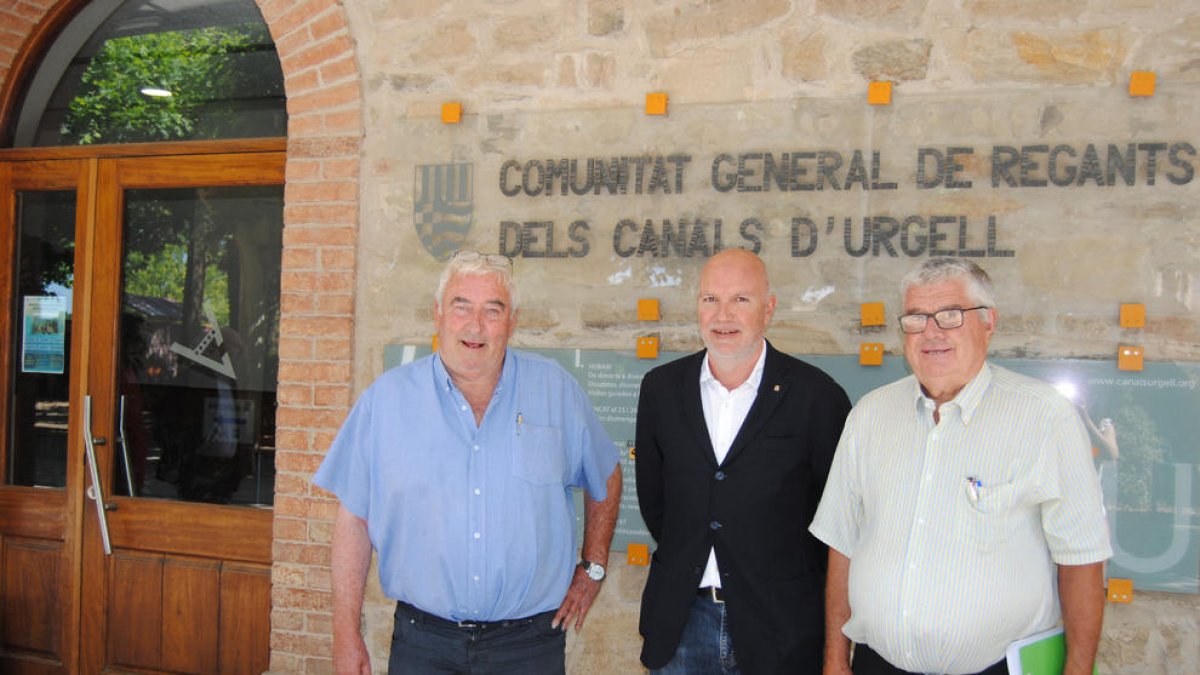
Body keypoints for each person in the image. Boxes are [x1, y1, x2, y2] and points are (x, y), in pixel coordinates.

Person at [313, 250, 622, 674]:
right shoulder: (385, 401)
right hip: (424, 645)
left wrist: (594, 567)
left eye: (492, 311)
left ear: (512, 322)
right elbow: (354, 521)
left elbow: (605, 475)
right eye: (461, 307)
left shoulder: (556, 391)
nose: (475, 326)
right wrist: (345, 633)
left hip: (529, 647)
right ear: (437, 314)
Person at [810, 257, 1111, 675]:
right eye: (916, 318)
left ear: (988, 322)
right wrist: (835, 660)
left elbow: (1082, 560)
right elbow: (843, 543)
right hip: (879, 665)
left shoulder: (1046, 417)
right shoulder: (869, 415)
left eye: (950, 316)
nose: (931, 332)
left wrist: (1077, 670)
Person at [636, 248, 852, 674]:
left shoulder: (817, 397)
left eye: (741, 299)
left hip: (780, 631)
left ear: (768, 309)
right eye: (710, 299)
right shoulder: (661, 389)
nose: (723, 315)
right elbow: (656, 504)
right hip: (681, 626)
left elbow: (838, 526)